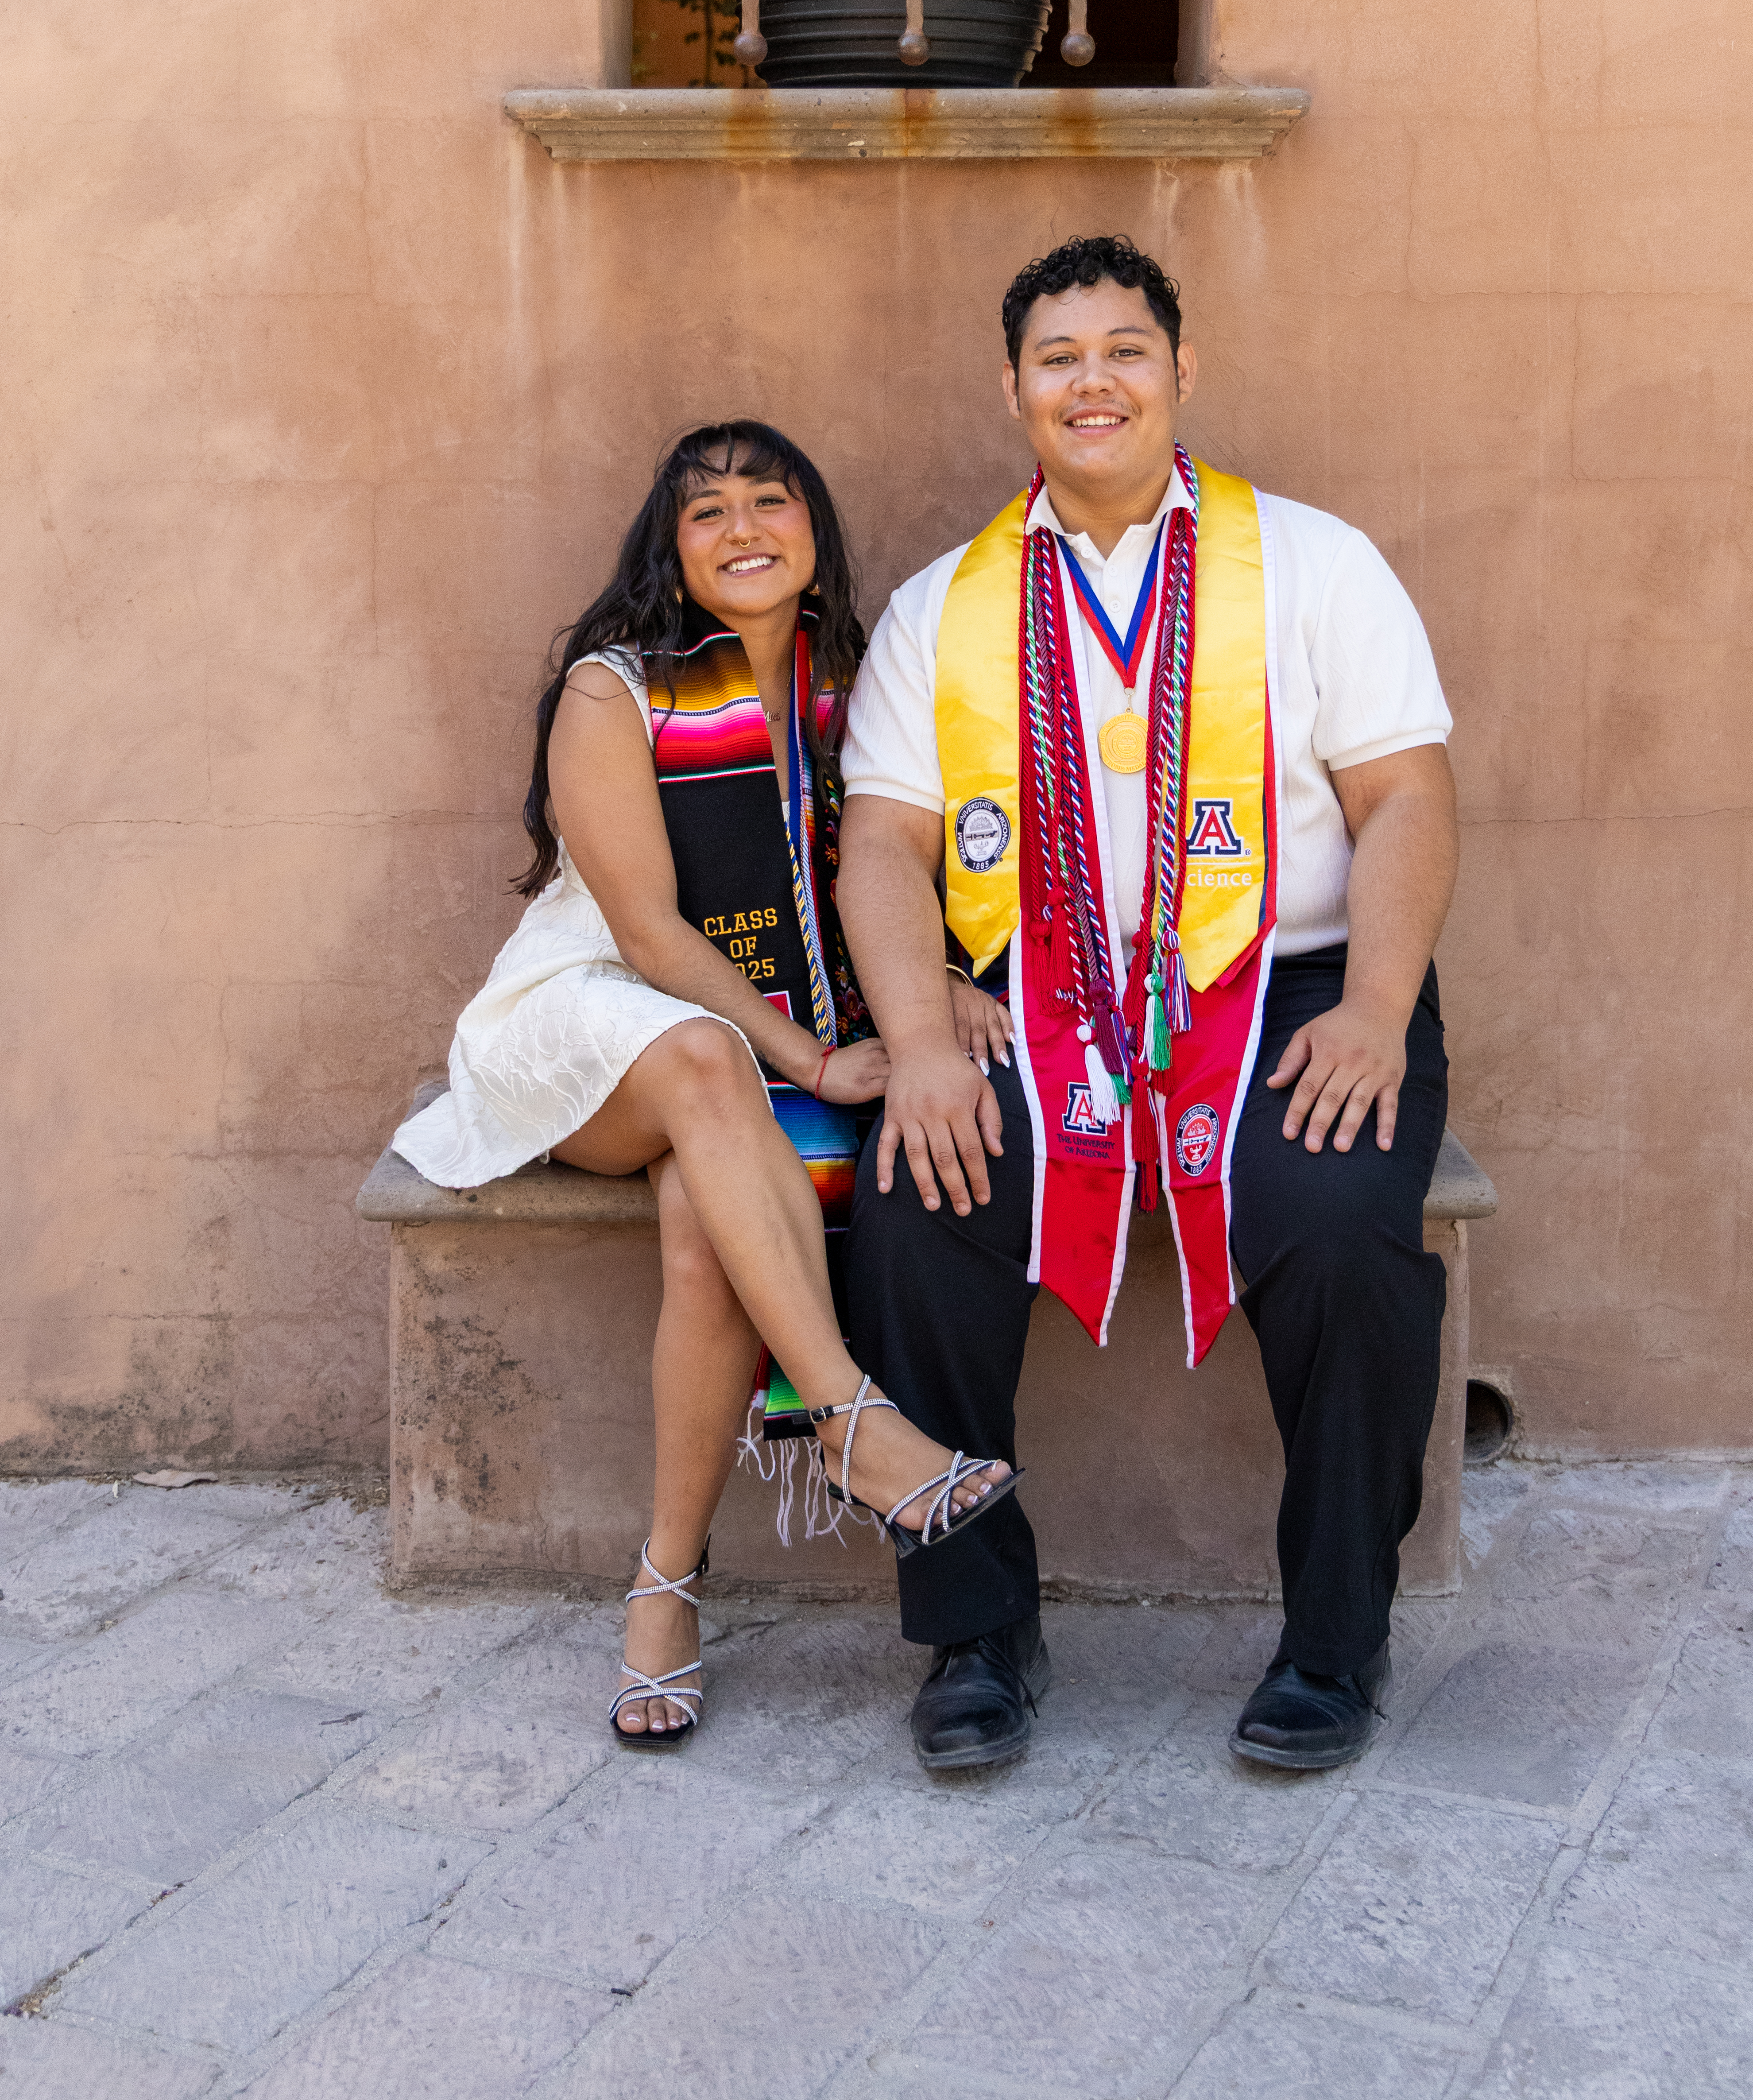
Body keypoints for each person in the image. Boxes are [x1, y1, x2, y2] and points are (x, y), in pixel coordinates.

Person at [835, 236, 1459, 1775]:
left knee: (1341, 1226)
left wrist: (1378, 1005)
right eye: (1060, 357)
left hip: (1292, 987)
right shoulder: (945, 607)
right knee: (916, 1212)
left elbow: (1408, 799)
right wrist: (919, 1036)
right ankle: (980, 1627)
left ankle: (1336, 1635)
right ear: (1015, 390)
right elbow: (884, 844)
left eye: (1125, 349)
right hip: (1032, 1000)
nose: (1092, 380)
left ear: (1184, 373)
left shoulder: (1313, 562)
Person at [393, 421, 1018, 1747]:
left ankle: (663, 1588)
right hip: (589, 1020)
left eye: (769, 500)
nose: (743, 529)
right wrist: (808, 1054)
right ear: (669, 552)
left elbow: (908, 861)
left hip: (730, 1070)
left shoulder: (864, 683)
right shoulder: (614, 690)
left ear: (815, 527)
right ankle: (853, 1420)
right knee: (701, 1059)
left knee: (704, 1225)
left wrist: (946, 978)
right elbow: (650, 933)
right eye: (707, 512)